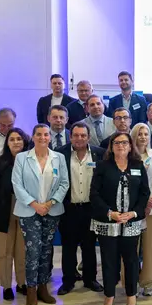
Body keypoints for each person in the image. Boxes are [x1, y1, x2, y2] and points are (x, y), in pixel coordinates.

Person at [89, 132, 149, 305]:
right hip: (108, 222)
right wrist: (110, 213)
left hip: (131, 222)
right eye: (116, 143)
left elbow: (144, 193)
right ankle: (109, 295)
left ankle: (131, 294)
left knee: (131, 259)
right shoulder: (102, 166)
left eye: (124, 142)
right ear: (111, 146)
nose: (121, 146)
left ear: (130, 146)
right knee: (109, 259)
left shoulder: (138, 165)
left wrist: (134, 213)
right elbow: (94, 194)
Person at [11, 124, 70, 305]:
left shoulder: (58, 158)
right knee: (33, 251)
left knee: (46, 250)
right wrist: (35, 205)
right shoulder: (22, 158)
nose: (43, 137)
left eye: (46, 134)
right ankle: (31, 289)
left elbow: (64, 183)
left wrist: (50, 203)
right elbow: (17, 184)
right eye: (39, 134)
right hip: (29, 211)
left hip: (51, 210)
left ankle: (43, 287)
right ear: (33, 137)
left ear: (50, 137)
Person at [55, 121, 105, 295]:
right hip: (69, 209)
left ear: (88, 137)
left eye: (83, 135)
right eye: (76, 135)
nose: (79, 138)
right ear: (70, 137)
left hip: (91, 209)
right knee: (68, 247)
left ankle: (90, 279)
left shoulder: (99, 154)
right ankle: (68, 281)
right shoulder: (60, 154)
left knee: (89, 246)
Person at [0, 128, 30, 301]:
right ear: (7, 143)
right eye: (12, 139)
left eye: (19, 139)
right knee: (4, 251)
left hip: (26, 208)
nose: (16, 142)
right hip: (3, 210)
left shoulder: (30, 161)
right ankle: (6, 286)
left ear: (25, 141)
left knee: (22, 250)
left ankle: (22, 283)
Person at [130, 123, 152, 296]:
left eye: (146, 134)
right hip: (132, 209)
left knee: (151, 247)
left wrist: (151, 199)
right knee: (131, 248)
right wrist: (140, 203)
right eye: (140, 134)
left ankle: (149, 282)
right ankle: (131, 282)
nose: (143, 137)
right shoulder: (128, 155)